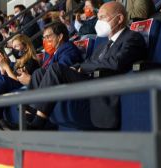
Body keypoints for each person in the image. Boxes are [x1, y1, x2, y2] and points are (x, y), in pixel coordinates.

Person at [26, 1, 147, 129]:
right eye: (98, 17)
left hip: (102, 85)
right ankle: (30, 117)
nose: (98, 21)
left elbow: (116, 62)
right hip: (89, 80)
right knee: (39, 73)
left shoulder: (132, 37)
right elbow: (88, 62)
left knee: (56, 69)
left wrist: (82, 68)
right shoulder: (103, 45)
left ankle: (38, 122)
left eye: (102, 17)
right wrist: (76, 67)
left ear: (119, 19)